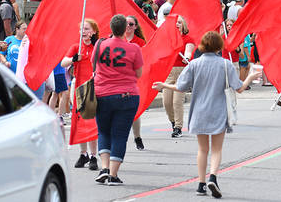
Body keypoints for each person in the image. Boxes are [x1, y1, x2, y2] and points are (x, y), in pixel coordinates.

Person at [152, 31, 260, 197]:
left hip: (199, 111)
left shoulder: (194, 64)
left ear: (202, 45)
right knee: (217, 149)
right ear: (219, 47)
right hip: (219, 111)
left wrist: (164, 85)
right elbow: (239, 88)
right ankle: (213, 177)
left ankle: (201, 184)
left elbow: (181, 87)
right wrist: (250, 77)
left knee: (202, 149)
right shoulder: (226, 64)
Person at [92, 15, 144, 186]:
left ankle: (104, 168)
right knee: (120, 135)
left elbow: (94, 64)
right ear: (125, 29)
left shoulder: (100, 44)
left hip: (102, 94)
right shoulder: (134, 48)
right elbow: (138, 74)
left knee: (104, 131)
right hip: (127, 95)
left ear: (111, 28)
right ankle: (113, 175)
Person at [60, 19, 100, 171]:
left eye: (87, 28)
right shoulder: (76, 47)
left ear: (94, 31)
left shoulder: (97, 46)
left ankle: (93, 156)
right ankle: (83, 154)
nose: (84, 31)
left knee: (91, 122)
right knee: (80, 122)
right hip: (79, 88)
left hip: (93, 87)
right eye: (82, 28)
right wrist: (73, 59)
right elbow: (63, 62)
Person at [162, 16, 195, 138]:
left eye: (179, 22)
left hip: (182, 71)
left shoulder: (188, 38)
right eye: (175, 23)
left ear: (183, 25)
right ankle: (173, 121)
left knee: (177, 101)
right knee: (166, 102)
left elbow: (188, 50)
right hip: (169, 71)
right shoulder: (169, 39)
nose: (177, 24)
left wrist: (186, 57)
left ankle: (178, 127)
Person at [124, 15, 147, 150]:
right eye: (125, 24)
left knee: (134, 111)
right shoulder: (116, 39)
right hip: (119, 80)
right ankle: (121, 138)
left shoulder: (140, 42)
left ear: (136, 27)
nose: (128, 26)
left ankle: (137, 137)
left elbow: (143, 61)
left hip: (134, 80)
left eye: (131, 24)